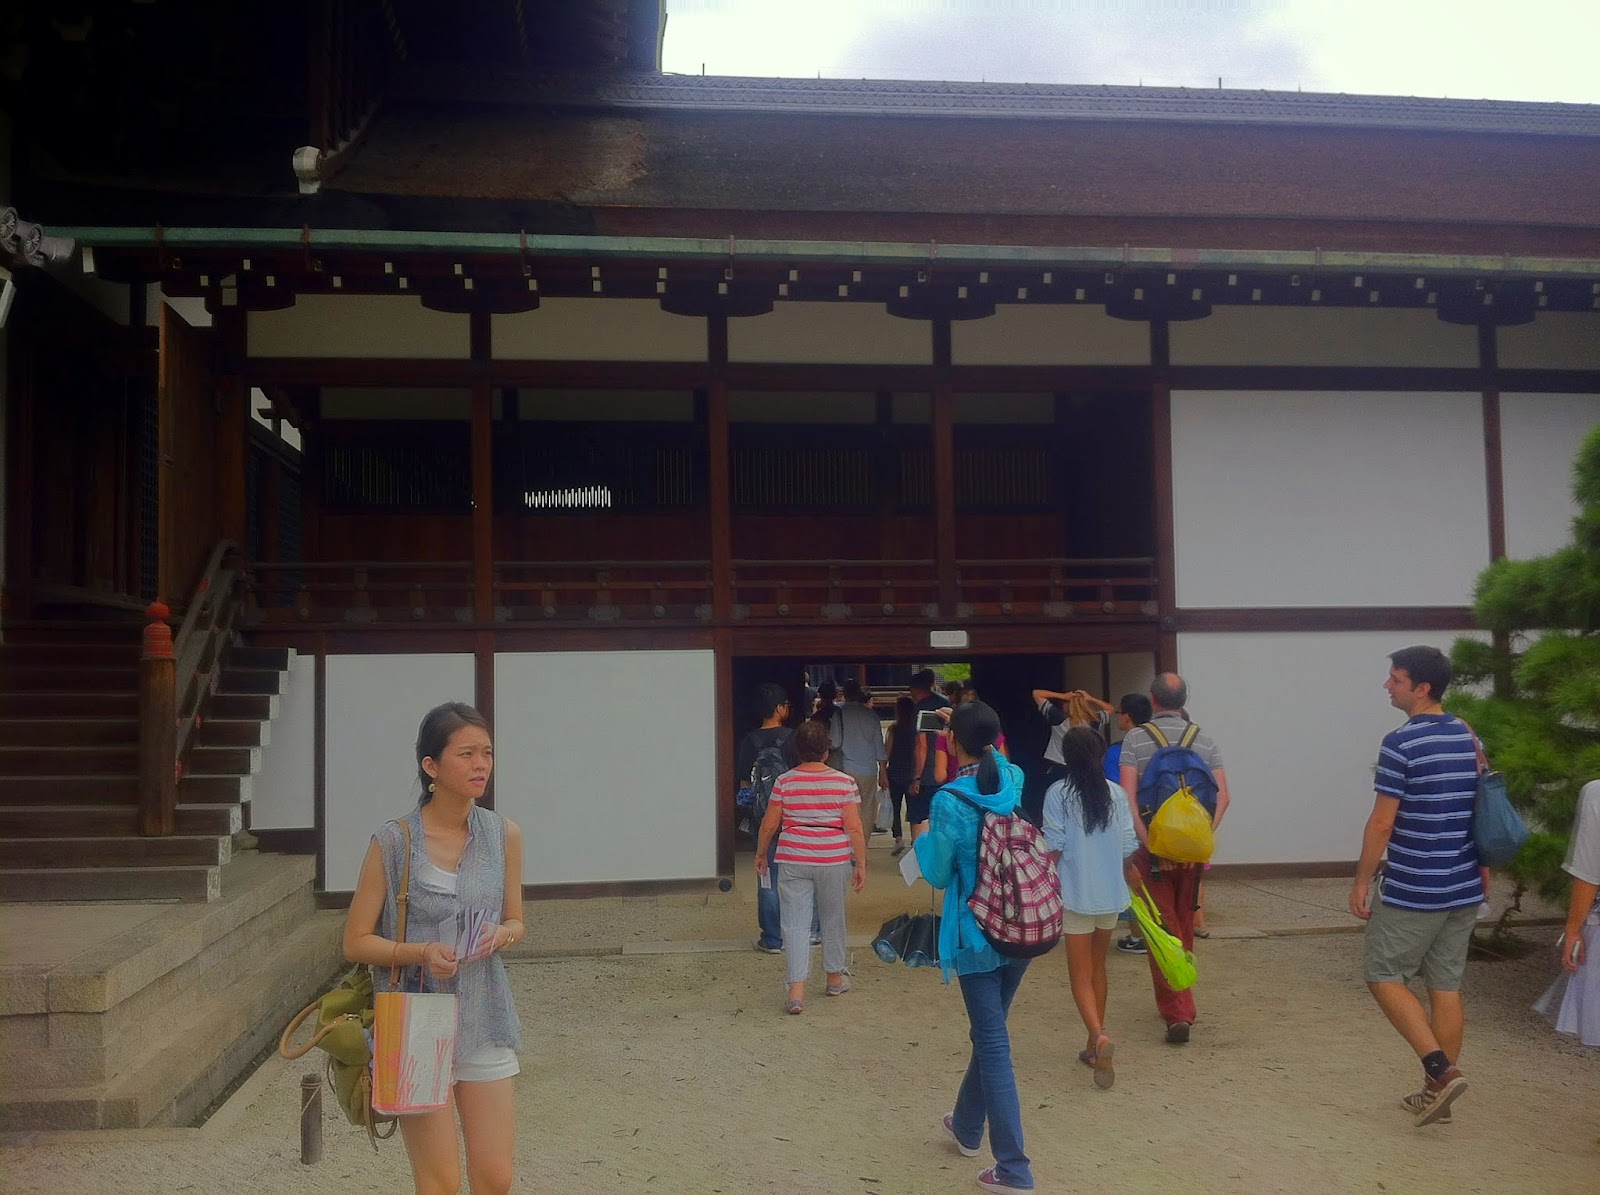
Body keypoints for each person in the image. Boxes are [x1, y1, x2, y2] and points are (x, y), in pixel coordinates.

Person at [342, 702, 524, 1195]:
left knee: (496, 1177)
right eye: (466, 754)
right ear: (431, 766)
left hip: (485, 1014)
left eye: (487, 753)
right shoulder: (393, 841)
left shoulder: (503, 834)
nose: (481, 764)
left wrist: (501, 935)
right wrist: (421, 951)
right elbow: (355, 940)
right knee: (440, 1182)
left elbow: (517, 920)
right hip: (414, 1023)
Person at [1348, 646, 1483, 1127]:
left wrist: (1361, 880)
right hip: (1464, 883)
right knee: (1445, 985)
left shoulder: (1400, 743)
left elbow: (1382, 823)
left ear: (1422, 688)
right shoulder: (1468, 734)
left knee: (1383, 974)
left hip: (1414, 884)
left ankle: (1441, 1071)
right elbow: (1476, 807)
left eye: (1396, 678)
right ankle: (1435, 1095)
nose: (1387, 685)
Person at [916, 701, 1035, 1192]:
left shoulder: (948, 801)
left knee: (992, 1041)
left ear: (951, 741)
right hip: (1021, 921)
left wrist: (922, 839)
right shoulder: (1013, 779)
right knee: (991, 1032)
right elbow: (996, 761)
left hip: (975, 929)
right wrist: (970, 730)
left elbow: (938, 873)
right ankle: (967, 1126)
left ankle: (1014, 1168)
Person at [1118, 672, 1230, 1044]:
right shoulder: (1205, 739)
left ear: (1152, 700)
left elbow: (1128, 798)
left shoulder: (1136, 739)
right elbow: (1224, 797)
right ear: (1184, 700)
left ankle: (1178, 1010)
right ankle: (1182, 992)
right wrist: (1196, 841)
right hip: (1193, 853)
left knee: (1161, 927)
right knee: (1183, 919)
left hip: (1153, 853)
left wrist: (1153, 845)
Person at [1042, 726, 1137, 1090]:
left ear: (1066, 757)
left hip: (1075, 893)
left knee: (1079, 975)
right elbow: (1128, 843)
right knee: (1099, 968)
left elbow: (1054, 845)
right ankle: (1092, 1044)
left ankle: (1098, 1036)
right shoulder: (1116, 793)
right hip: (1111, 894)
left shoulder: (1058, 794)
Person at [754, 718, 867, 1014]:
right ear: (826, 751)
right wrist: (860, 863)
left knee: (794, 923)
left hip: (793, 855)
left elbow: (769, 824)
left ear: (797, 751)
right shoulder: (844, 782)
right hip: (833, 856)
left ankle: (796, 991)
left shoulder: (785, 781)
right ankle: (834, 978)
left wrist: (761, 853)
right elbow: (854, 827)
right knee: (833, 918)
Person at [737, 683, 797, 955]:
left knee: (767, 877)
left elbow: (744, 785)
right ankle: (804, 932)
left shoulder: (749, 741)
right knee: (799, 877)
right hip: (793, 818)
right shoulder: (794, 739)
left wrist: (751, 814)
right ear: (779, 708)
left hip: (763, 820)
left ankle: (772, 939)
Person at [1107, 692, 1154, 954]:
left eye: (1119, 713)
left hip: (1132, 822)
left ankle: (1139, 935)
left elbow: (1116, 790)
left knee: (1134, 879)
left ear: (1127, 716)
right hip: (1160, 821)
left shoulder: (1119, 749)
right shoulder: (1158, 742)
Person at [832, 678, 888, 845]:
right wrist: (883, 771)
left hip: (846, 769)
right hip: (868, 770)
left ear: (845, 694)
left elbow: (834, 741)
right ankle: (862, 845)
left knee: (847, 809)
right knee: (866, 810)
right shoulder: (871, 715)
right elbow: (879, 746)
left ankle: (848, 844)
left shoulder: (839, 713)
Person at [908, 668, 952, 836]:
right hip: (947, 769)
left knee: (921, 818)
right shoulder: (945, 702)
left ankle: (921, 849)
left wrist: (917, 776)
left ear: (914, 689)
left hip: (928, 774)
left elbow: (922, 745)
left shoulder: (921, 709)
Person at [883, 696, 919, 857]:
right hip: (911, 772)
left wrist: (883, 771)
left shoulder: (894, 729)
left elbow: (887, 752)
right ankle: (915, 839)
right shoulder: (916, 730)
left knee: (895, 807)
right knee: (913, 809)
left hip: (895, 772)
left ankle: (898, 838)